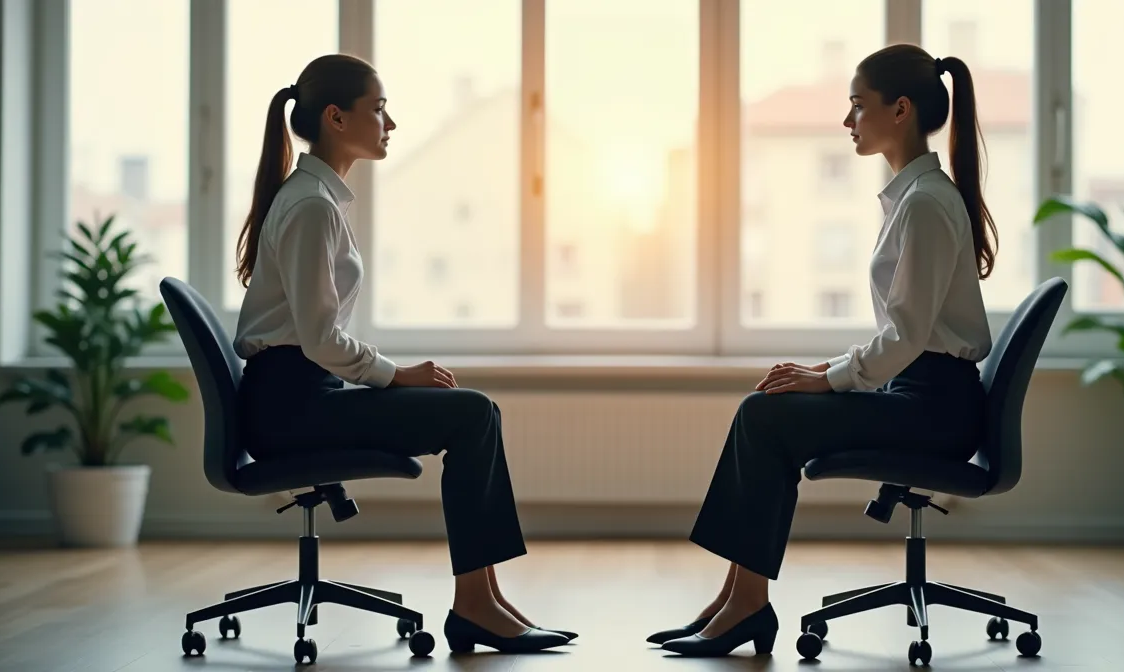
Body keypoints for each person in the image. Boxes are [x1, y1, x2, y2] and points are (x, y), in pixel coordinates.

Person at [650, 43, 998, 657]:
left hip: (933, 409)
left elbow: (908, 336)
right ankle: (736, 599)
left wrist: (833, 378)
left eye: (857, 107)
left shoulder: (923, 205)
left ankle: (745, 606)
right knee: (770, 406)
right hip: (919, 395)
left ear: (901, 110)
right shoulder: (915, 198)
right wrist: (826, 372)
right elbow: (909, 334)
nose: (847, 122)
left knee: (767, 416)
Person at [231, 54, 572, 654]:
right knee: (470, 413)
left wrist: (390, 377)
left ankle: (486, 600)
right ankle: (477, 606)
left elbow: (316, 339)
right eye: (380, 109)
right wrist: (395, 375)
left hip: (303, 396)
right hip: (292, 408)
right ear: (337, 118)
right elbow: (319, 340)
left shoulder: (317, 199)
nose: (391, 123)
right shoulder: (311, 206)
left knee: (475, 411)